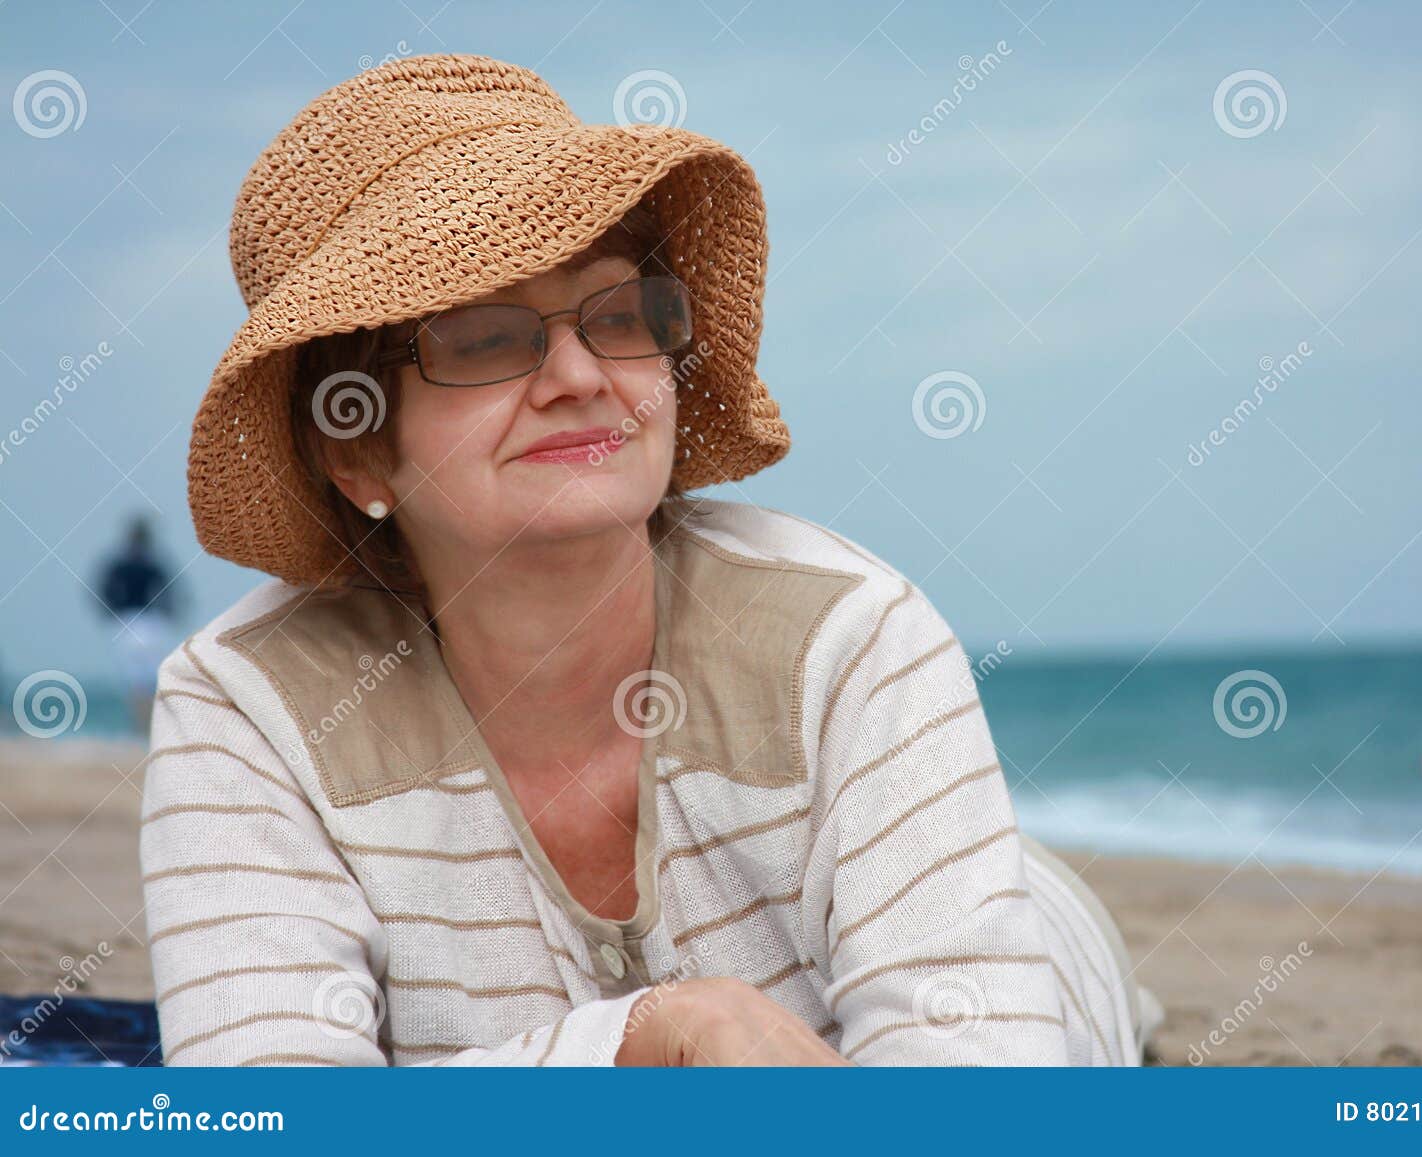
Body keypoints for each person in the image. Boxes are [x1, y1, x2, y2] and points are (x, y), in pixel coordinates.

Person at [141, 54, 1156, 1066]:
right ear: (355, 440)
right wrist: (645, 1036)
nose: (579, 375)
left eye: (617, 316)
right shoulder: (251, 705)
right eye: (485, 336)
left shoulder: (846, 637)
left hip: (1032, 959)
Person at [95, 516, 181, 736]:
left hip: (128, 621)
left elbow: (105, 590)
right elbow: (169, 591)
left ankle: (141, 727)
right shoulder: (153, 563)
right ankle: (152, 727)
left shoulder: (119, 564)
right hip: (152, 621)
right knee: (154, 678)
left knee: (136, 682)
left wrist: (112, 611)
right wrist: (169, 614)